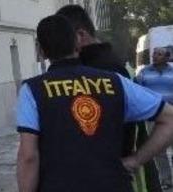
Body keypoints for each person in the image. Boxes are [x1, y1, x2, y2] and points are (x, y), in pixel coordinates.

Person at [16, 15, 173, 192]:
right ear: (77, 41)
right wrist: (135, 160)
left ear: (41, 51)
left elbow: (28, 156)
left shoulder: (32, 90)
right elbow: (170, 118)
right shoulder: (115, 82)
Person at [58, 4, 162, 192]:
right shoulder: (111, 62)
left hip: (115, 176)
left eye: (63, 40)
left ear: (80, 35)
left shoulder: (102, 71)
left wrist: (134, 160)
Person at [136, 48, 173, 188]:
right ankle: (166, 181)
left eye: (159, 54)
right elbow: (137, 90)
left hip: (172, 114)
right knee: (158, 149)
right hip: (153, 115)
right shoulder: (144, 72)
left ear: (167, 57)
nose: (154, 56)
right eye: (154, 54)